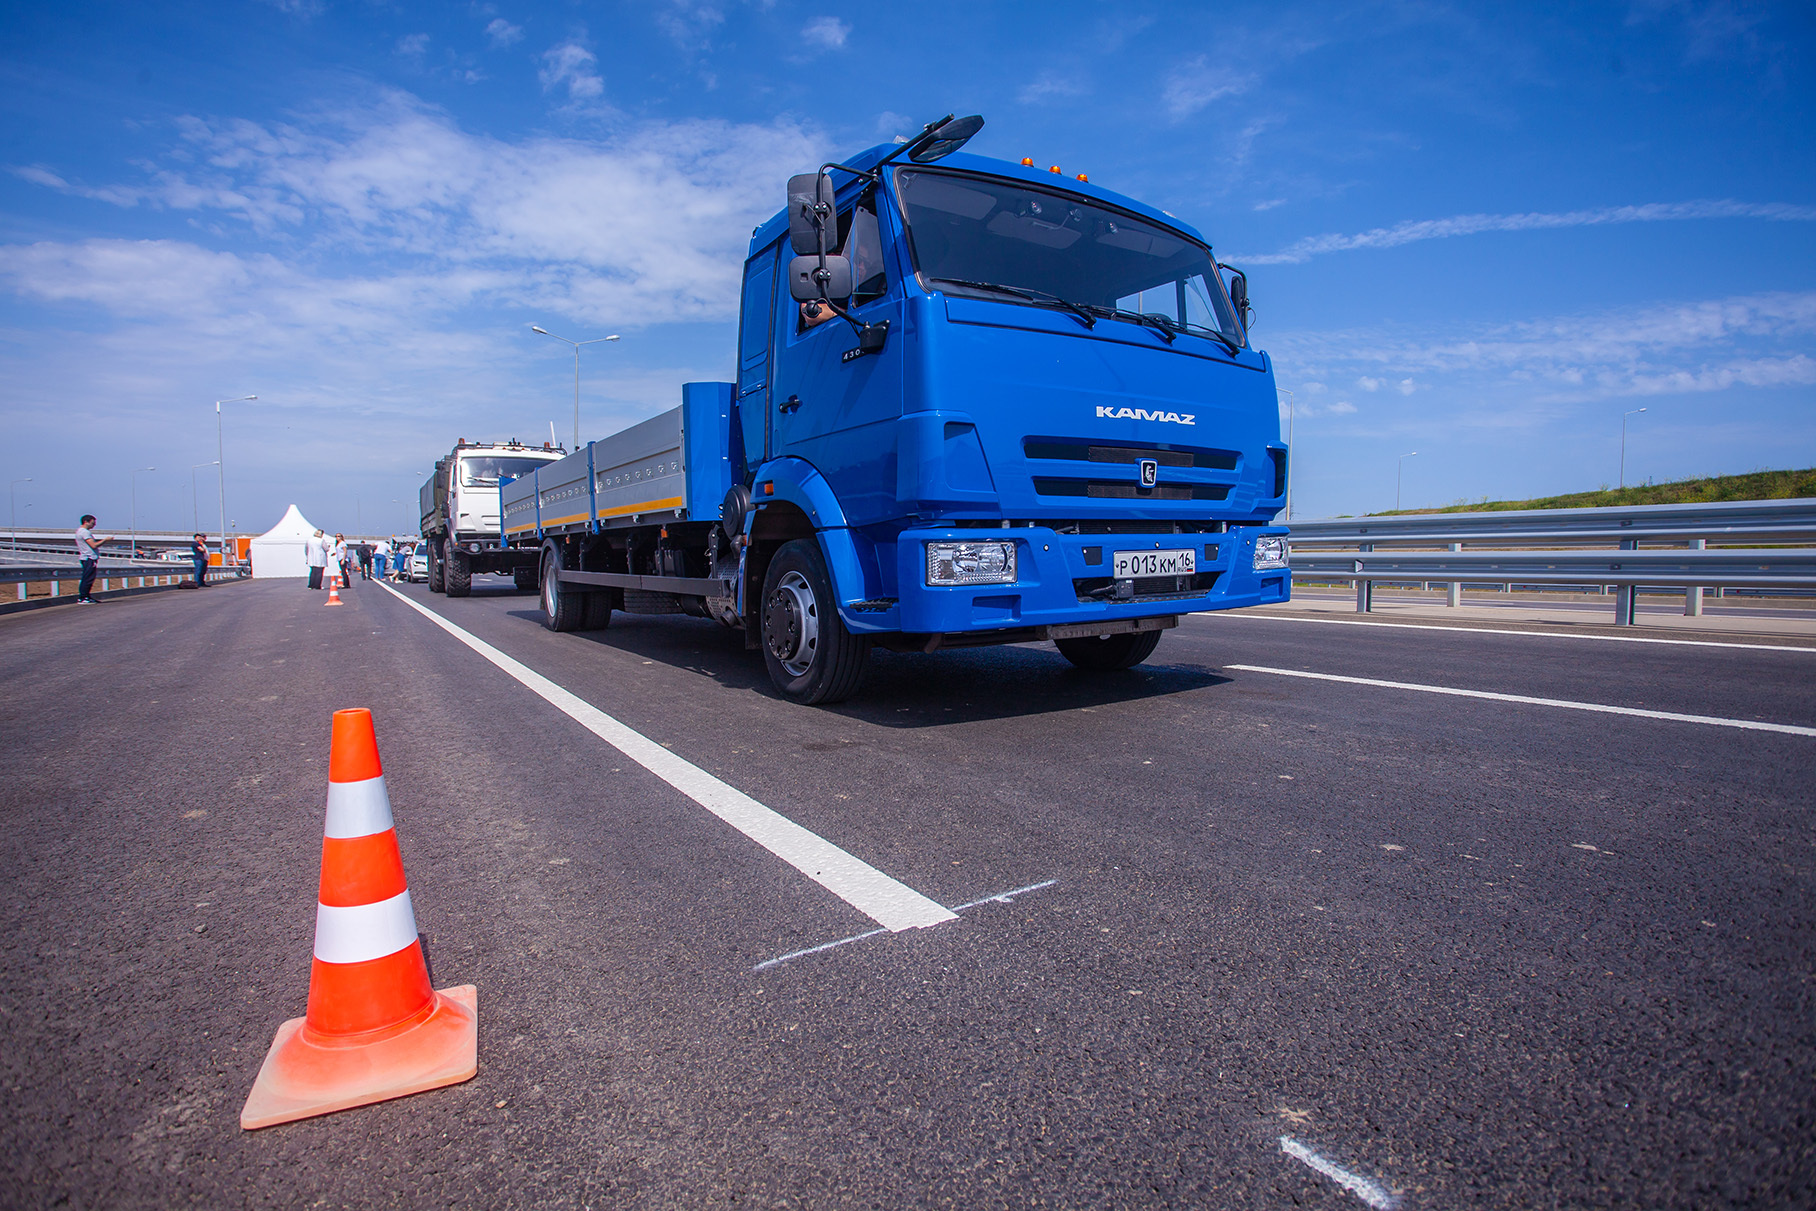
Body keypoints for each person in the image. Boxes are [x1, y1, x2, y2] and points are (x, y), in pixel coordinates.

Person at [75, 514, 107, 603]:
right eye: (92, 523)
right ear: (86, 522)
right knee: (88, 578)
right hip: (89, 558)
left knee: (88, 578)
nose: (94, 525)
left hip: (86, 557)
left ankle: (86, 596)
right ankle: (83, 597)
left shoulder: (79, 531)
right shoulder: (85, 532)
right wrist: (106, 540)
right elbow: (93, 545)